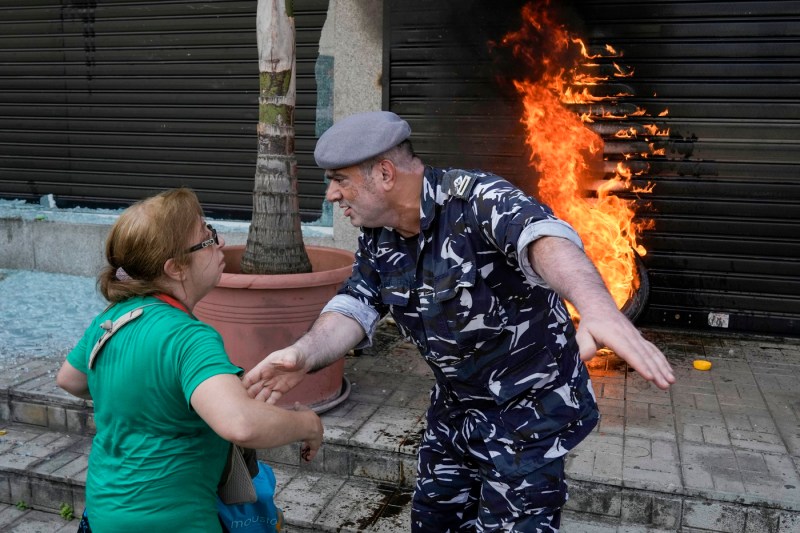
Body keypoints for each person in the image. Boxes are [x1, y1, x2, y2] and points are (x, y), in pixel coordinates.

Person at [242, 111, 676, 531]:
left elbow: (543, 238)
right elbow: (357, 303)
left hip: (527, 416)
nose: (332, 196)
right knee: (434, 520)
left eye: (340, 181)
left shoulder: (477, 200)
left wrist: (596, 306)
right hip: (455, 411)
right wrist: (303, 354)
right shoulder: (380, 231)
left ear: (386, 174)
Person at [56, 188, 324, 533]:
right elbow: (240, 424)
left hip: (103, 516)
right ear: (175, 267)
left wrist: (153, 401)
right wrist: (308, 424)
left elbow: (70, 379)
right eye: (207, 237)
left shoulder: (113, 319)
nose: (220, 242)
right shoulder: (189, 337)